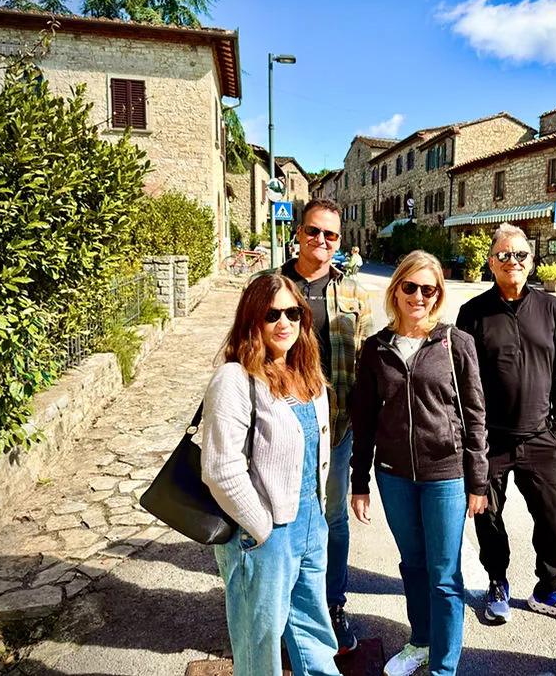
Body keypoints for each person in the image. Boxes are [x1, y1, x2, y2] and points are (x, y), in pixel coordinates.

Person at [350, 251, 489, 676]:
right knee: (412, 565)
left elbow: (476, 413)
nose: (419, 296)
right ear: (396, 290)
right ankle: (421, 642)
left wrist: (478, 481)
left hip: (445, 475)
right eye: (410, 287)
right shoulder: (375, 349)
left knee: (445, 574)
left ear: (438, 294)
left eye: (428, 289)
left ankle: (444, 667)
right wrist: (360, 481)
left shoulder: (455, 343)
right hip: (393, 476)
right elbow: (365, 417)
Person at [456, 223, 556, 627]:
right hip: (491, 441)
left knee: (552, 517)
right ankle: (497, 582)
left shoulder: (550, 308)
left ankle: (549, 588)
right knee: (489, 517)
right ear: (491, 262)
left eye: (520, 254)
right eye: (503, 255)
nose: (512, 261)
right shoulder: (473, 313)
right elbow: (464, 380)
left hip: (542, 438)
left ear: (531, 261)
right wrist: (473, 439)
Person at [201, 274, 341, 676]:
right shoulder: (234, 378)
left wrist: (318, 517)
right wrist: (262, 528)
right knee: (259, 646)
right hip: (264, 534)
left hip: (311, 524)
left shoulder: (306, 373)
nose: (284, 323)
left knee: (314, 631)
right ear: (252, 320)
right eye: (272, 314)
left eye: (293, 313)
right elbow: (220, 468)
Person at [272, 198, 374, 653]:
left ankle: (332, 604)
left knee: (331, 519)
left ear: (340, 240)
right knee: (281, 516)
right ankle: (280, 606)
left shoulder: (353, 293)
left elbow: (369, 360)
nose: (322, 241)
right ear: (299, 233)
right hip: (279, 426)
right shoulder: (271, 286)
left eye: (331, 235)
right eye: (314, 231)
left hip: (337, 427)